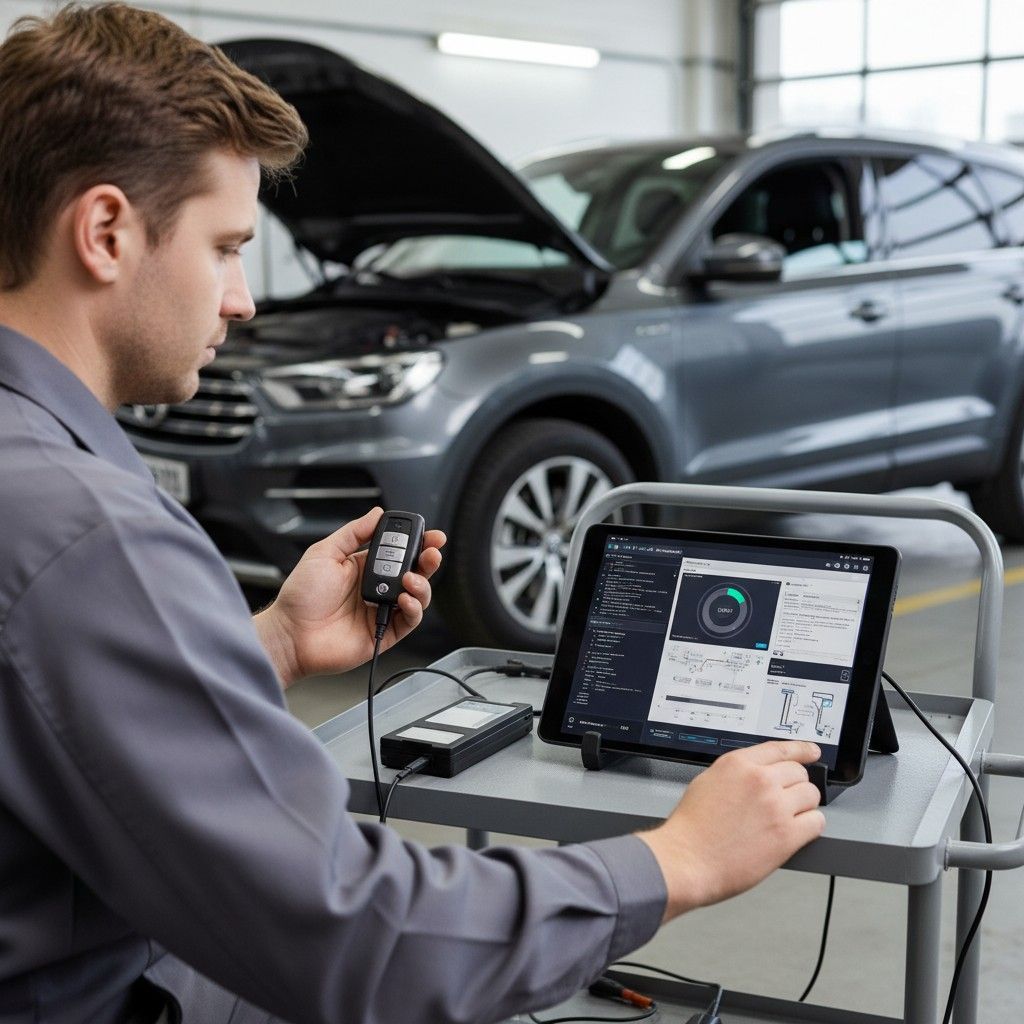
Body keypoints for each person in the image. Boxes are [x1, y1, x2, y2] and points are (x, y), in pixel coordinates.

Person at [0, 4, 826, 1023]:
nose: (245, 301)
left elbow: (46, 712)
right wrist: (675, 859)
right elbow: (356, 933)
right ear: (106, 231)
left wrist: (273, 642)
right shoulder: (86, 532)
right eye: (224, 247)